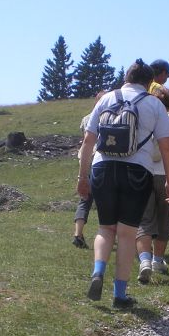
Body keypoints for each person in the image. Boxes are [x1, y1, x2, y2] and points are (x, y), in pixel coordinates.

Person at [78, 60, 169, 309]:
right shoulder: (154, 104)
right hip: (137, 171)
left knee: (105, 229)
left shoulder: (106, 99)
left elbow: (88, 142)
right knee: (126, 233)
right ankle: (119, 295)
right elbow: (166, 147)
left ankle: (98, 271)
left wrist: (83, 177)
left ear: (126, 77)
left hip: (102, 168)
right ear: (149, 81)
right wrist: (168, 181)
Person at [136, 85, 169, 282]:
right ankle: (158, 260)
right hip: (168, 175)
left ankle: (144, 260)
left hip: (144, 173)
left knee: (144, 220)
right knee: (165, 218)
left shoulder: (143, 119)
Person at [72, 91, 107, 249]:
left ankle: (78, 234)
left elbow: (84, 139)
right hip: (101, 160)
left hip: (86, 159)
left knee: (85, 199)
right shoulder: (109, 116)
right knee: (105, 199)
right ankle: (107, 234)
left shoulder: (86, 118)